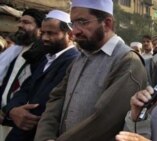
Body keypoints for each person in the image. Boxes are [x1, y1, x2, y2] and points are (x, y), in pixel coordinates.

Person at [34, 0, 148, 141]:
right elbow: (56, 99)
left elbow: (104, 121)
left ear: (107, 23)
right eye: (73, 23)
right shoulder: (81, 56)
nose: (75, 31)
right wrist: (45, 137)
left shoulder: (128, 61)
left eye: (83, 22)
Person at [0, 10, 80, 141]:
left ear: (70, 35)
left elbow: (49, 101)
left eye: (51, 33)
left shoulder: (73, 61)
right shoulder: (45, 58)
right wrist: (12, 109)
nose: (44, 38)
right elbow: (26, 87)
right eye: (43, 33)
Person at [0, 8, 46, 141]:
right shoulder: (17, 51)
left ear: (40, 29)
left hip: (17, 121)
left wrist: (8, 111)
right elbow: (6, 82)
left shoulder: (41, 55)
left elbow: (29, 88)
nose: (20, 25)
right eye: (20, 21)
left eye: (26, 22)